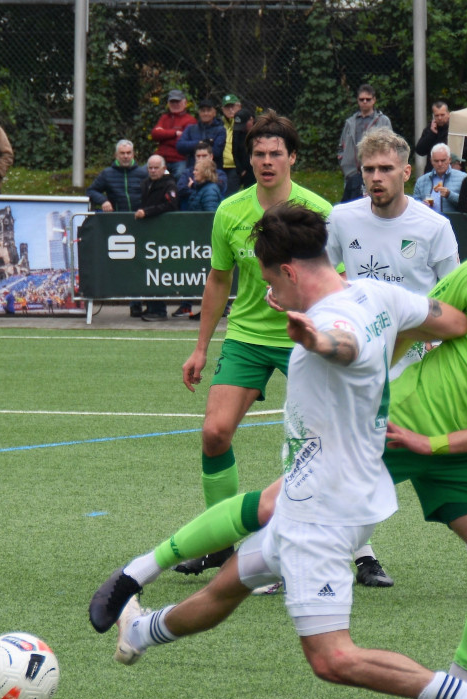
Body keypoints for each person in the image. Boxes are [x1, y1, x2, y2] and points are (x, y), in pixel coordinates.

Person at [92, 182, 467, 699]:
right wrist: (361, 374)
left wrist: (431, 439)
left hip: (455, 445)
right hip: (397, 426)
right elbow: (398, 326)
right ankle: (138, 593)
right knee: (262, 529)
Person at [174, 110, 332, 572]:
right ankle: (222, 542)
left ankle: (355, 550)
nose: (267, 161)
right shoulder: (229, 210)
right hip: (246, 337)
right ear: (250, 159)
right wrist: (201, 346)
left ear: (292, 158)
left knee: (326, 443)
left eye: (275, 154)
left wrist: (322, 327)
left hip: (305, 337)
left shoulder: (316, 211)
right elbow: (219, 281)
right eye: (259, 154)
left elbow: (336, 281)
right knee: (214, 433)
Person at [325, 127, 461, 587]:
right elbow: (319, 276)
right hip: (362, 360)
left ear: (407, 171)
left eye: (386, 169)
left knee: (448, 458)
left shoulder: (434, 227)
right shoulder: (342, 218)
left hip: (420, 362)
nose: (376, 177)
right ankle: (358, 557)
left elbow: (456, 298)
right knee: (347, 458)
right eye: (369, 169)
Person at [133, 154, 179, 321]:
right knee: (148, 270)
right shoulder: (146, 183)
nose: (152, 171)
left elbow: (171, 205)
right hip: (148, 234)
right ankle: (151, 306)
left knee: (158, 271)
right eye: (150, 168)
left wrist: (148, 212)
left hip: (162, 234)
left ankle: (159, 310)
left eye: (155, 168)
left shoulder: (169, 184)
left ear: (163, 168)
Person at [337, 84, 391, 202]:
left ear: (374, 100)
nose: (365, 102)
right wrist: (344, 163)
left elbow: (390, 147)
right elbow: (341, 146)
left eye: (368, 99)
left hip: (375, 172)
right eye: (362, 99)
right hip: (352, 174)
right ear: (358, 100)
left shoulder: (383, 121)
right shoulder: (350, 122)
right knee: (350, 206)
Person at [87, 138, 146, 212]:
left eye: (128, 153)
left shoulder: (143, 173)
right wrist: (104, 201)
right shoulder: (107, 174)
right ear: (116, 155)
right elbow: (91, 190)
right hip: (116, 218)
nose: (126, 156)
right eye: (122, 153)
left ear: (133, 155)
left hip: (140, 218)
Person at [151, 90, 196, 177]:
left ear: (185, 103)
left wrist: (163, 135)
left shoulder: (190, 120)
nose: (175, 104)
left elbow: (182, 143)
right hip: (160, 158)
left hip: (179, 160)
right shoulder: (164, 118)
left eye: (177, 102)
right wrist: (174, 133)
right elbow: (154, 134)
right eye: (172, 102)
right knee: (144, 172)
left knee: (180, 175)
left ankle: (175, 191)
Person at [412, 143, 465, 214]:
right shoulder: (421, 181)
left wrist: (450, 195)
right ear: (431, 161)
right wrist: (422, 204)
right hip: (428, 221)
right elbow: (414, 204)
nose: (439, 164)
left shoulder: (462, 178)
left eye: (443, 160)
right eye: (436, 161)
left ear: (449, 160)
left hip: (453, 222)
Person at [176, 98, 226, 172]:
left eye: (208, 111)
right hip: (192, 169)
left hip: (213, 171)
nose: (205, 113)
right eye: (203, 111)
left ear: (214, 113)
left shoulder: (220, 130)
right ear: (199, 113)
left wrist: (194, 148)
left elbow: (216, 152)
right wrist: (200, 143)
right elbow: (180, 146)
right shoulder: (191, 128)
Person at [220, 94, 246, 194]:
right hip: (220, 166)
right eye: (227, 107)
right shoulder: (218, 124)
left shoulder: (246, 124)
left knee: (231, 195)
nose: (230, 110)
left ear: (239, 106)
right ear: (222, 109)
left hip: (236, 167)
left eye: (233, 106)